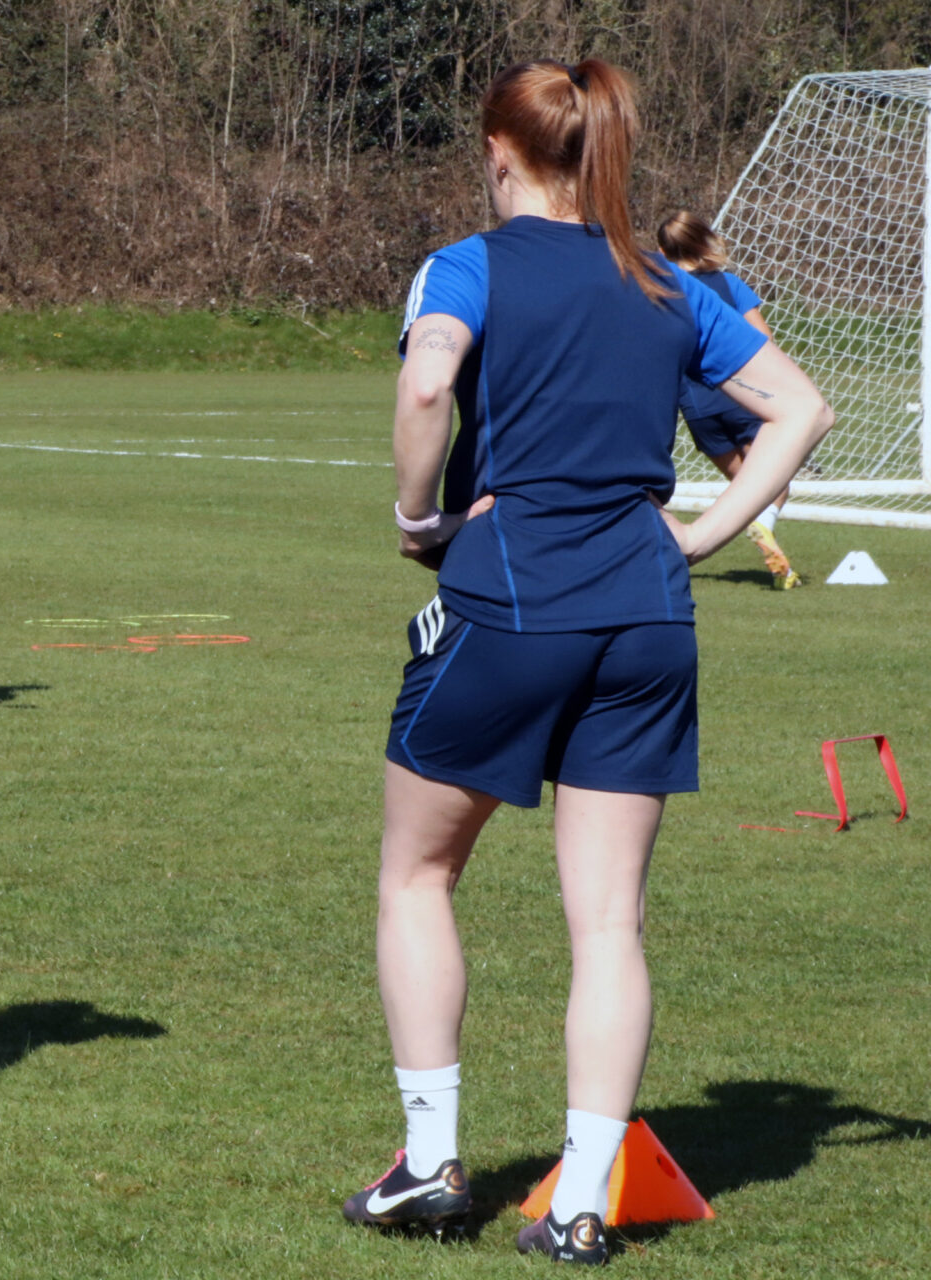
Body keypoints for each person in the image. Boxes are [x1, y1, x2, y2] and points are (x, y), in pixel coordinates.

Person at [346, 60, 831, 1264]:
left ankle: (427, 1164)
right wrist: (710, 532)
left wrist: (416, 520)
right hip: (648, 613)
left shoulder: (467, 262)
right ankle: (581, 1202)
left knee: (416, 876)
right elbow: (801, 408)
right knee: (607, 921)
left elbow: (425, 379)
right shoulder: (665, 280)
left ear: (499, 153)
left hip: (512, 598)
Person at [658, 209, 799, 588]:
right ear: (706, 241)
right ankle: (765, 527)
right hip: (741, 395)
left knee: (744, 487)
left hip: (695, 407)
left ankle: (780, 566)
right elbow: (764, 339)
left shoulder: (661, 290)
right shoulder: (729, 284)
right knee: (772, 481)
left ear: (661, 249)